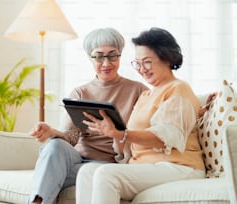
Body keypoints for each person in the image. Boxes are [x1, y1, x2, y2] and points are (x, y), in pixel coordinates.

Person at [76, 27, 206, 204]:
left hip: (179, 166)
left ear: (166, 58)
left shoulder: (178, 88)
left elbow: (164, 137)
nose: (142, 69)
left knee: (106, 174)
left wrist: (120, 134)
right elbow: (128, 145)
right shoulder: (146, 96)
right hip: (145, 165)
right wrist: (113, 134)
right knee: (87, 172)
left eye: (147, 62)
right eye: (137, 63)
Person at [28, 27, 148, 204]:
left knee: (52, 173)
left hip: (109, 165)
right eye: (99, 56)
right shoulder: (80, 92)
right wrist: (51, 131)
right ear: (90, 58)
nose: (106, 63)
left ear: (120, 55)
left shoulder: (138, 91)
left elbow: (155, 121)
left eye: (112, 55)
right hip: (76, 161)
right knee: (54, 146)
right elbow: (70, 138)